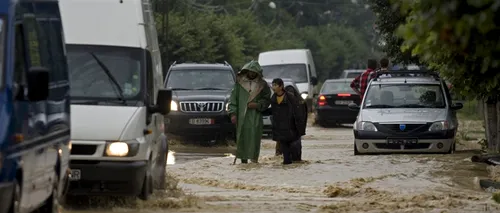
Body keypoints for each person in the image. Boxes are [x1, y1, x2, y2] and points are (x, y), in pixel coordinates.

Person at [228, 60, 271, 164]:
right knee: (242, 137)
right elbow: (233, 99)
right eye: (250, 71)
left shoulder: (262, 85)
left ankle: (254, 160)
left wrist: (257, 105)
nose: (251, 73)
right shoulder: (239, 83)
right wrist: (233, 113)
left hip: (255, 116)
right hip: (242, 116)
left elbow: (267, 99)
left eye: (254, 72)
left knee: (254, 137)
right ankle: (243, 161)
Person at [270, 78, 306, 165]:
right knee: (286, 160)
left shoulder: (290, 97)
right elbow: (273, 112)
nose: (273, 87)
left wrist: (299, 130)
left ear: (281, 86)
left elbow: (298, 114)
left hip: (292, 130)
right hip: (281, 131)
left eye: (275, 85)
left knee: (296, 158)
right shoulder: (273, 98)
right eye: (273, 85)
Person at [284, 85, 307, 162]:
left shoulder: (300, 103)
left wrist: (301, 130)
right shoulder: (282, 102)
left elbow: (304, 117)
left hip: (296, 132)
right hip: (284, 132)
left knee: (296, 158)